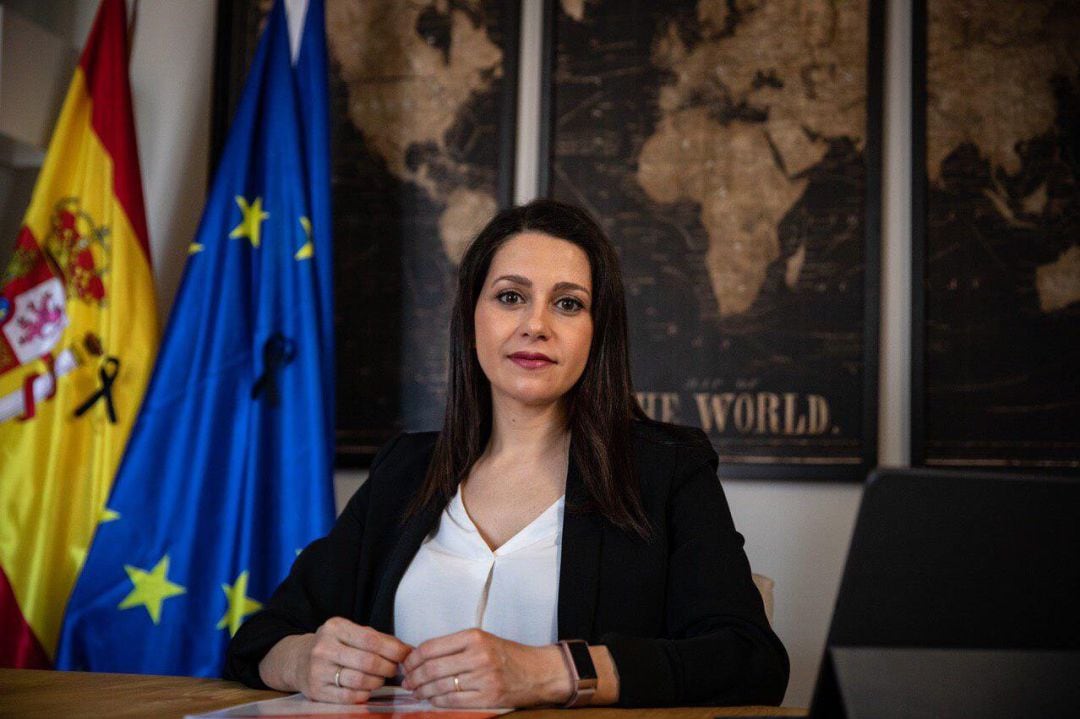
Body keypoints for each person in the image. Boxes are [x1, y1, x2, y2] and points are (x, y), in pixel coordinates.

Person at [224, 199, 789, 708]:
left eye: (568, 304)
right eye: (510, 296)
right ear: (473, 317)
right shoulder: (404, 469)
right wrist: (305, 660)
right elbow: (260, 639)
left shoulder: (667, 469)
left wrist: (553, 671)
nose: (535, 325)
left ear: (598, 332)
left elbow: (750, 660)